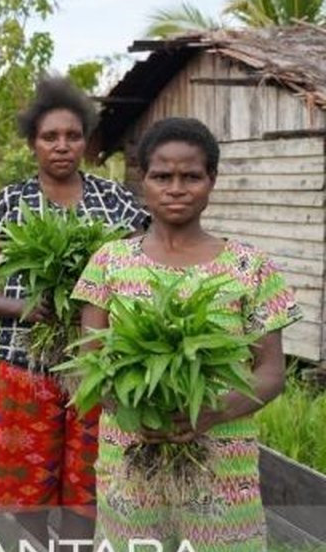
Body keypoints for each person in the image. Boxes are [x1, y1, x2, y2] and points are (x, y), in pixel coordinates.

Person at [72, 117, 298, 551]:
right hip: (131, 462)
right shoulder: (109, 261)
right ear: (143, 180)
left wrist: (210, 413)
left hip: (222, 466)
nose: (176, 188)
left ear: (212, 180)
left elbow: (271, 372)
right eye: (162, 176)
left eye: (191, 176)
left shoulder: (250, 266)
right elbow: (89, 362)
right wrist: (136, 411)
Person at [0, 77, 148, 543]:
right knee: (25, 490)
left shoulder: (117, 202)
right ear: (33, 143)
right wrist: (27, 308)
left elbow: (142, 278)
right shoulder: (7, 204)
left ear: (86, 141)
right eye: (50, 137)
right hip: (25, 366)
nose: (62, 146)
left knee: (87, 488)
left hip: (97, 367)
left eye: (72, 136)